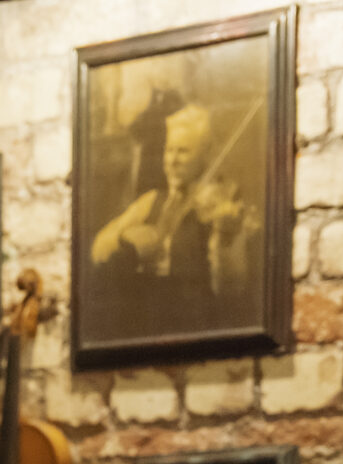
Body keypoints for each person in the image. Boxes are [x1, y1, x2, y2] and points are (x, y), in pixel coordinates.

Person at [89, 103, 253, 336]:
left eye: (183, 151)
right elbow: (98, 249)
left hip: (195, 328)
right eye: (169, 150)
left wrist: (226, 238)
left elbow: (230, 287)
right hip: (144, 326)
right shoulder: (151, 200)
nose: (172, 160)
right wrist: (126, 238)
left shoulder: (218, 201)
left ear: (204, 155)